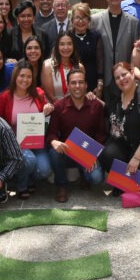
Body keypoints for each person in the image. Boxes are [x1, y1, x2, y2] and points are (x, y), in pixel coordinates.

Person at [0, 64, 55, 199]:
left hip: (37, 142)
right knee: (30, 160)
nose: (25, 80)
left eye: (29, 76)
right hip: (16, 142)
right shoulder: (4, 97)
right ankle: (22, 185)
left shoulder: (38, 93)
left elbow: (45, 112)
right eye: (22, 76)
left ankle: (29, 179)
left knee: (45, 170)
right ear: (15, 76)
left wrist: (47, 108)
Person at [102, 63, 140, 194]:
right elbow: (108, 113)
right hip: (123, 145)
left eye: (124, 74)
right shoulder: (115, 98)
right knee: (107, 153)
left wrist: (136, 158)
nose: (121, 79)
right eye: (117, 77)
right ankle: (124, 184)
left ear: (132, 72)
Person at [47, 68, 109, 202]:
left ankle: (84, 176)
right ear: (68, 85)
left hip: (87, 153)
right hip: (67, 152)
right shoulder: (59, 106)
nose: (77, 86)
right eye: (73, 83)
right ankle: (61, 185)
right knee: (54, 153)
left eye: (81, 82)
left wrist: (93, 155)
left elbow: (101, 134)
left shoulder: (96, 106)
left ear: (86, 85)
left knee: (97, 178)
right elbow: (51, 132)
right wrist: (54, 142)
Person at [63, 3, 104, 92]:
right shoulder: (67, 36)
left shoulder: (95, 36)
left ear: (89, 19)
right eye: (77, 18)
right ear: (72, 20)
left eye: (84, 17)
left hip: (92, 83)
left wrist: (100, 82)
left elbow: (100, 60)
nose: (81, 21)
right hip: (72, 82)